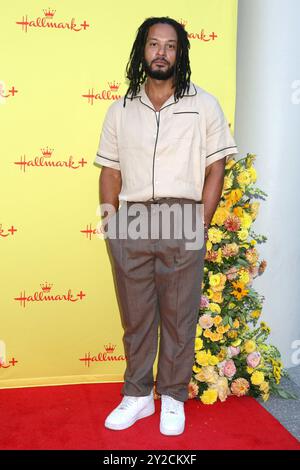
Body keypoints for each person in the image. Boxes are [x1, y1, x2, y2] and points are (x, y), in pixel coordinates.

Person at [94, 16, 238, 436]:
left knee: (178, 318)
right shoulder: (120, 109)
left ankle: (172, 398)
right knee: (136, 317)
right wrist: (112, 227)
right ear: (143, 51)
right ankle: (137, 396)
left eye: (170, 46)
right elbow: (109, 172)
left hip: (183, 216)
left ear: (180, 53)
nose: (161, 52)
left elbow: (216, 167)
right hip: (132, 219)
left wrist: (201, 222)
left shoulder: (204, 104)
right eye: (154, 44)